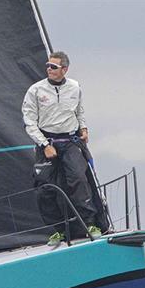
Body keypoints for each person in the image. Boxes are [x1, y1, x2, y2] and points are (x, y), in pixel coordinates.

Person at [22, 51, 103, 246]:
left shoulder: (75, 87)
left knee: (78, 179)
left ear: (64, 69)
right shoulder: (36, 90)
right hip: (47, 142)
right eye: (48, 65)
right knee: (45, 188)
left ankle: (90, 224)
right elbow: (29, 121)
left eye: (54, 67)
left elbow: (79, 110)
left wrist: (83, 127)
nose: (49, 69)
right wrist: (44, 144)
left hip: (70, 141)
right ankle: (57, 230)